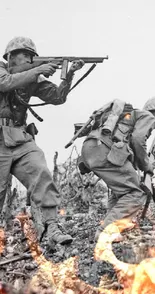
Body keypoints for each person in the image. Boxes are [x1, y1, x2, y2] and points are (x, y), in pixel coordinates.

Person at [0, 36, 84, 249]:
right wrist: (39, 70)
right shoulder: (2, 70)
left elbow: (57, 97)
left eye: (32, 56)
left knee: (41, 172)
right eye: (25, 55)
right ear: (10, 57)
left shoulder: (31, 78)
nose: (29, 59)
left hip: (20, 139)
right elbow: (5, 83)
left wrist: (69, 74)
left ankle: (51, 226)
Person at [79, 98, 155, 239]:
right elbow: (138, 140)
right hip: (104, 150)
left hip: (89, 149)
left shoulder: (126, 118)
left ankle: (115, 226)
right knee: (136, 193)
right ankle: (107, 232)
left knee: (121, 191)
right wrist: (147, 165)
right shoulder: (148, 116)